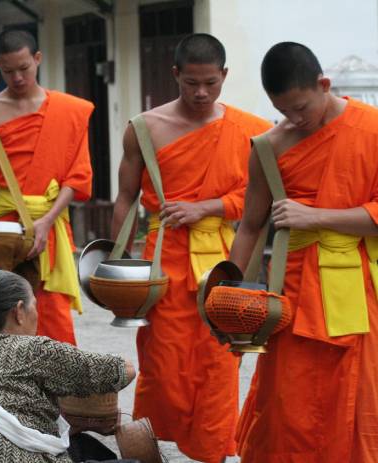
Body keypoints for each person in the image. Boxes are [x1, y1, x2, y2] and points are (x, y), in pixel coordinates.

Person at [110, 33, 271, 463]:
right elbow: (125, 198)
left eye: (211, 83)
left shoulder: (252, 131)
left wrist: (209, 206)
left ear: (224, 76)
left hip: (225, 259)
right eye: (191, 83)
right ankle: (158, 441)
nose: (201, 93)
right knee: (163, 365)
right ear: (176, 75)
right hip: (164, 260)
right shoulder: (145, 129)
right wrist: (115, 267)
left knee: (219, 364)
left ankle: (212, 451)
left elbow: (261, 198)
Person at [229, 42, 378, 463]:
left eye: (301, 108)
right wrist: (228, 290)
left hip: (361, 288)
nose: (294, 119)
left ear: (323, 84)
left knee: (358, 399)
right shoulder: (269, 146)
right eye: (284, 111)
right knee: (287, 403)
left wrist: (318, 217)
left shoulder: (372, 129)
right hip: (292, 295)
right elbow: (251, 226)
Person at [0, 270, 136, 463]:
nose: (36, 314)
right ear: (19, 311)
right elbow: (123, 371)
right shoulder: (34, 350)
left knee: (84, 447)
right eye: (34, 305)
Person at [0, 30, 93, 345]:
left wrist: (48, 220)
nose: (18, 77)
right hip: (4, 226)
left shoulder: (68, 110)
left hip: (49, 223)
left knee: (52, 313)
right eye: (9, 71)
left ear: (37, 59)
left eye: (24, 68)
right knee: (5, 310)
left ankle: (61, 390)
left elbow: (77, 176)